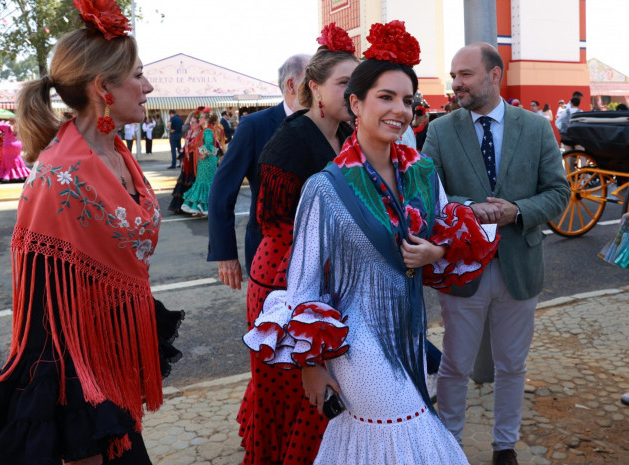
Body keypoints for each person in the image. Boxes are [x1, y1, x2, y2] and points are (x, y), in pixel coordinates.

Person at [244, 21, 499, 464]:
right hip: (355, 342)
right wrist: (310, 364)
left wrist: (435, 252)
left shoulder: (421, 171)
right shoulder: (325, 187)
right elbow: (302, 285)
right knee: (400, 432)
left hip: (410, 332)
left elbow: (447, 235)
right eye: (385, 97)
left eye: (406, 99)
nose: (399, 109)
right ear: (356, 104)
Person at [0, 2, 184, 463]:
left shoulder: (119, 152)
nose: (149, 86)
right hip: (81, 377)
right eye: (138, 75)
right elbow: (42, 318)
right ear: (103, 88)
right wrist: (75, 426)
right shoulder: (56, 177)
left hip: (115, 358)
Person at [422, 42, 570, 465]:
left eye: (465, 74)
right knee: (454, 364)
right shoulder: (440, 130)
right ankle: (449, 445)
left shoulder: (537, 127)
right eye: (454, 75)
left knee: (511, 365)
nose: (456, 84)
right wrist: (471, 209)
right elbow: (430, 194)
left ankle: (504, 447)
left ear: (494, 76)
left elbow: (559, 192)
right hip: (462, 267)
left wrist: (519, 211)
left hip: (519, 265)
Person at [237, 24, 358, 465]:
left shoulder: (346, 136)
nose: (352, 93)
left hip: (325, 277)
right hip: (283, 286)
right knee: (294, 397)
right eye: (344, 83)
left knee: (324, 400)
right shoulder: (287, 143)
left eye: (356, 84)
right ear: (315, 88)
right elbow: (273, 223)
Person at [206, 53, 310, 289]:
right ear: (291, 85)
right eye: (313, 79)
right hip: (268, 251)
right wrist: (226, 254)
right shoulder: (255, 125)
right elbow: (223, 189)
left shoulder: (331, 124)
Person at [181, 110, 219, 217]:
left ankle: (207, 208)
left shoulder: (207, 131)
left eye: (202, 117)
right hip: (204, 162)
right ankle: (202, 208)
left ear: (207, 119)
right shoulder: (205, 130)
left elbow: (208, 145)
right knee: (203, 183)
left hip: (206, 162)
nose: (200, 119)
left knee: (205, 183)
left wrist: (203, 153)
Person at [168, 108, 204, 213]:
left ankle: (193, 206)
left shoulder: (201, 134)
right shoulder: (190, 133)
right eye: (191, 122)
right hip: (188, 162)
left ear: (199, 123)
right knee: (185, 182)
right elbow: (185, 146)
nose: (191, 124)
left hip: (195, 163)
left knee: (193, 183)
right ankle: (183, 206)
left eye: (193, 122)